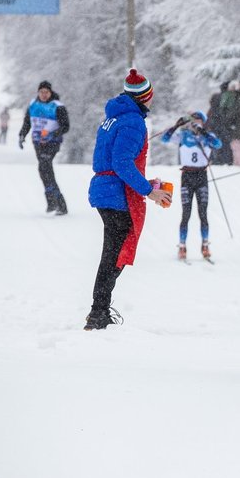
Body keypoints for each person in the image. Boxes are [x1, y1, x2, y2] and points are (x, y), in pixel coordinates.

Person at [85, 69, 173, 330]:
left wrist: (148, 183)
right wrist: (149, 191)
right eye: (149, 96)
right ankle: (98, 314)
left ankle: (98, 312)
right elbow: (121, 162)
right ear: (145, 97)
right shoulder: (134, 122)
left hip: (105, 190)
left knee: (113, 253)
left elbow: (115, 160)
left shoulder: (112, 119)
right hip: (116, 194)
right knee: (114, 255)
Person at [161, 111, 223, 261]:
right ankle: (182, 246)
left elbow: (218, 144)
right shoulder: (183, 135)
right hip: (187, 177)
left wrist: (202, 132)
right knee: (186, 214)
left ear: (203, 122)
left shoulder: (208, 136)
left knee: (203, 214)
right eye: (193, 120)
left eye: (198, 121)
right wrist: (176, 126)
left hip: (201, 176)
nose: (195, 123)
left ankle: (205, 245)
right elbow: (164, 139)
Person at [19, 81, 71, 215]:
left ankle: (58, 204)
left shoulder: (58, 106)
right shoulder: (33, 105)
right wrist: (22, 135)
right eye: (41, 92)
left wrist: (53, 134)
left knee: (44, 167)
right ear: (38, 92)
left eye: (46, 92)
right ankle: (53, 203)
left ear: (50, 92)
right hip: (37, 142)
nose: (43, 95)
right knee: (43, 169)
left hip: (52, 143)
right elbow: (27, 122)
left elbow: (66, 126)